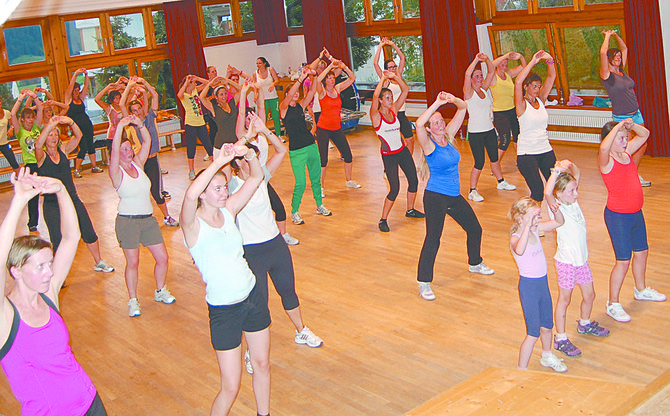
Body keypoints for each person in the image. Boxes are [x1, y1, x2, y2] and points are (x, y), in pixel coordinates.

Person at [0, 168, 107, 415]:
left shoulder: (48, 296)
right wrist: (18, 201)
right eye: (40, 266)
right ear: (16, 271)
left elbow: (71, 237)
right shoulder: (6, 318)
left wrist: (60, 188)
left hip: (90, 402)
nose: (50, 272)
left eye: (49, 263)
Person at [180, 142, 271, 416]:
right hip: (224, 311)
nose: (223, 193)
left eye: (224, 187)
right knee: (230, 386)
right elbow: (188, 196)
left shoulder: (229, 211)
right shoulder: (192, 226)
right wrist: (218, 162)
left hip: (252, 297)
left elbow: (256, 177)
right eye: (217, 189)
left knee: (262, 364)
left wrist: (250, 154)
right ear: (204, 195)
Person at [231, 114, 323, 374]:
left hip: (275, 245)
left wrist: (263, 131)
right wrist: (245, 139)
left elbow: (282, 149)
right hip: (251, 251)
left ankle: (301, 331)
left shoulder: (261, 178)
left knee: (288, 291)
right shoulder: (231, 184)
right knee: (257, 302)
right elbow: (223, 163)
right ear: (238, 163)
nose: (254, 160)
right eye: (248, 158)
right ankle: (251, 351)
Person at [414, 92, 494, 301]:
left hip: (454, 196)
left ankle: (475, 263)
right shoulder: (429, 144)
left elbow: (463, 107)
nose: (440, 125)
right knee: (433, 238)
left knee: (475, 229)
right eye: (436, 123)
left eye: (441, 121)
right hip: (435, 197)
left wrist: (450, 99)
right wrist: (437, 103)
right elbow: (418, 124)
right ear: (431, 129)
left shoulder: (448, 136)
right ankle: (424, 282)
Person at [598, 119, 665, 323]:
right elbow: (603, 146)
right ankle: (613, 303)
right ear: (611, 140)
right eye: (621, 138)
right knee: (623, 261)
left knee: (642, 252)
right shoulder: (606, 160)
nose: (625, 141)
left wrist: (630, 125)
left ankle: (641, 289)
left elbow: (644, 135)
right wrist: (617, 127)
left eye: (626, 138)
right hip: (617, 217)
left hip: (636, 213)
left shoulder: (626, 155)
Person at [109, 115, 176, 317]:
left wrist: (140, 124)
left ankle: (160, 290)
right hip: (127, 222)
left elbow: (147, 141)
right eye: (125, 149)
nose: (129, 152)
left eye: (130, 148)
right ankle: (132, 300)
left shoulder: (138, 163)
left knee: (163, 257)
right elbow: (113, 151)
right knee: (133, 263)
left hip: (148, 220)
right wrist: (120, 125)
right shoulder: (116, 171)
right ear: (118, 153)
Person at [544, 160, 609, 358]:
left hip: (582, 261)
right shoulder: (557, 207)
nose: (576, 194)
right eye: (572, 191)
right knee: (565, 299)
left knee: (590, 295)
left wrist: (571, 165)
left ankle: (585, 322)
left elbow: (578, 174)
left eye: (575, 190)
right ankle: (560, 337)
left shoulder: (574, 202)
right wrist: (555, 170)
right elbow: (547, 192)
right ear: (560, 194)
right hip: (566, 262)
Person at [35, 115, 115, 273]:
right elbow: (38, 145)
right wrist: (50, 125)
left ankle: (98, 261)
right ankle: (57, 273)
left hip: (71, 199)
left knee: (88, 229)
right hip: (52, 203)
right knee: (57, 238)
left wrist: (71, 122)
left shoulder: (63, 150)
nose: (53, 137)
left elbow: (78, 136)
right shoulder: (42, 156)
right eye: (50, 134)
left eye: (55, 134)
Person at [237, 81, 299, 245]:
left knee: (279, 209)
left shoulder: (261, 132)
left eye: (253, 118)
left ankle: (283, 235)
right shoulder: (243, 135)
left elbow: (262, 108)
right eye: (247, 119)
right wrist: (244, 92)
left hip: (263, 175)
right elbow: (241, 114)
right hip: (248, 179)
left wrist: (259, 88)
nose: (250, 121)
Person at [509, 196, 567, 373]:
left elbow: (559, 222)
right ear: (520, 218)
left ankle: (547, 355)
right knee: (533, 333)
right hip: (529, 288)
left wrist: (556, 211)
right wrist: (527, 226)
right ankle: (522, 369)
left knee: (548, 327)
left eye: (538, 216)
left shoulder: (535, 229)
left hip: (542, 285)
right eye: (534, 216)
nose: (538, 220)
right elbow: (519, 250)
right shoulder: (516, 237)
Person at [120, 77, 179, 227]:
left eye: (139, 108)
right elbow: (121, 104)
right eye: (134, 110)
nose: (138, 112)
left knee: (156, 192)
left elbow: (155, 95)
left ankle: (167, 217)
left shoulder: (150, 117)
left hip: (152, 160)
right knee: (138, 191)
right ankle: (137, 219)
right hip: (138, 162)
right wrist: (130, 86)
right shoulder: (131, 123)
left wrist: (143, 83)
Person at [370, 69, 423, 232]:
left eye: (391, 97)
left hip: (402, 151)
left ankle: (410, 209)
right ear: (380, 100)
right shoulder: (376, 116)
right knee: (394, 189)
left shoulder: (394, 110)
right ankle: (383, 219)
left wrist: (395, 77)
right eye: (387, 97)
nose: (390, 99)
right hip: (389, 156)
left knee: (413, 180)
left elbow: (405, 90)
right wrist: (383, 79)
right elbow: (374, 96)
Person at [279, 67, 332, 225]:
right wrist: (301, 78)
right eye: (293, 92)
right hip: (296, 151)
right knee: (301, 183)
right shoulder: (284, 108)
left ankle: (319, 206)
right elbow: (289, 95)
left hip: (310, 145)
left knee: (316, 180)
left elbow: (312, 91)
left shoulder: (301, 106)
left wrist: (314, 76)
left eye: (297, 92)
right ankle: (295, 211)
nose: (295, 94)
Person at [463, 53, 516, 203]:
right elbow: (467, 74)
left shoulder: (485, 90)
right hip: (476, 134)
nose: (480, 78)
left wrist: (486, 60)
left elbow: (491, 71)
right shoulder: (469, 93)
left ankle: (501, 182)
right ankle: (472, 190)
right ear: (472, 79)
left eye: (481, 76)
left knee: (494, 159)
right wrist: (476, 60)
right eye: (477, 76)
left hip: (489, 131)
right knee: (479, 163)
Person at [600, 30, 650, 187]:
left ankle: (633, 173)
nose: (618, 58)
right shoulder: (607, 75)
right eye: (615, 57)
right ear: (609, 59)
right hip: (622, 116)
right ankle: (626, 177)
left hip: (636, 113)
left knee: (643, 144)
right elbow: (602, 52)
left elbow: (625, 49)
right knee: (625, 148)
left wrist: (616, 36)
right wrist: (607, 36)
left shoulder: (621, 72)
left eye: (619, 57)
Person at [514, 50, 557, 202]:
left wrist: (550, 60)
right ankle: (533, 221)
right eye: (534, 86)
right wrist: (533, 61)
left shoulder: (541, 100)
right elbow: (518, 81)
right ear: (526, 87)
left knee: (555, 187)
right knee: (538, 192)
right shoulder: (521, 104)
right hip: (527, 153)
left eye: (539, 86)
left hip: (545, 149)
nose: (537, 89)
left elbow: (551, 76)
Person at [315, 58, 361, 195]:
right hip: (323, 128)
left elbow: (352, 78)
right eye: (329, 78)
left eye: (333, 78)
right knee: (323, 160)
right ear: (326, 80)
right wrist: (330, 67)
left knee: (348, 155)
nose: (332, 80)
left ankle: (349, 180)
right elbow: (317, 80)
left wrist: (344, 66)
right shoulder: (322, 91)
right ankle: (320, 187)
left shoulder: (338, 89)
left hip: (336, 128)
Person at [373, 37, 415, 154]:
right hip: (391, 113)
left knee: (410, 139)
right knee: (395, 140)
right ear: (386, 69)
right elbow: (375, 63)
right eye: (390, 67)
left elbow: (402, 58)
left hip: (401, 113)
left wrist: (393, 44)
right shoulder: (386, 79)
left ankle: (408, 161)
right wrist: (380, 46)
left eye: (394, 66)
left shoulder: (398, 76)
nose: (393, 69)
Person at [10, 89, 43, 232]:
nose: (31, 120)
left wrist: (34, 96)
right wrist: (21, 98)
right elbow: (12, 114)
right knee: (33, 195)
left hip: (42, 161)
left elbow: (41, 109)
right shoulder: (20, 131)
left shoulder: (36, 127)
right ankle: (33, 223)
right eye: (28, 118)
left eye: (32, 117)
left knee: (50, 191)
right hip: (31, 165)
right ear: (23, 119)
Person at [64, 68, 103, 178]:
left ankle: (94, 166)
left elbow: (86, 87)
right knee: (83, 146)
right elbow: (69, 87)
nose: (77, 91)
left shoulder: (80, 98)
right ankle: (76, 169)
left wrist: (86, 75)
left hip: (87, 124)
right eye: (75, 90)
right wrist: (75, 74)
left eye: (78, 89)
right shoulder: (68, 99)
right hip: (77, 128)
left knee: (90, 145)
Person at [490, 51, 526, 164]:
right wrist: (505, 56)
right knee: (504, 141)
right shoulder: (492, 77)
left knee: (518, 137)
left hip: (512, 111)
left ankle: (520, 161)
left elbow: (524, 66)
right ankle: (495, 165)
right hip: (500, 113)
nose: (504, 67)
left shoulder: (509, 74)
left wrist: (521, 57)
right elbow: (490, 65)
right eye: (502, 64)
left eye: (506, 64)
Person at [178, 74, 214, 180]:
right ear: (188, 84)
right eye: (194, 82)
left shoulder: (195, 91)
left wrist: (197, 78)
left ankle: (214, 167)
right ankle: (191, 170)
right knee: (191, 147)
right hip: (190, 124)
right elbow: (179, 94)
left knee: (208, 145)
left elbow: (209, 83)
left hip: (201, 123)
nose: (196, 84)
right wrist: (187, 82)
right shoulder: (184, 94)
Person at [200, 76, 240, 154]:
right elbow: (202, 97)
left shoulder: (232, 104)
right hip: (221, 146)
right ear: (216, 97)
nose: (224, 96)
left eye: (225, 93)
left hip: (235, 143)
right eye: (221, 94)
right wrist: (210, 83)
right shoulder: (214, 109)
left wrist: (227, 81)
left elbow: (240, 89)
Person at [94, 77, 127, 152]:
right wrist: (108, 87)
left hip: (123, 135)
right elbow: (97, 99)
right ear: (111, 99)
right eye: (116, 98)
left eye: (119, 98)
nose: (118, 100)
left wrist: (122, 86)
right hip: (112, 136)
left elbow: (132, 92)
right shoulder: (109, 107)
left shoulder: (123, 106)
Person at [253, 57, 282, 137]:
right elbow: (255, 85)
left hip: (273, 97)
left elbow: (277, 80)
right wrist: (255, 94)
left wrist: (273, 84)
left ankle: (279, 135)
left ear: (264, 63)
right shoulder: (255, 73)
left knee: (275, 117)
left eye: (260, 63)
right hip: (262, 99)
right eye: (257, 63)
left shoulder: (270, 70)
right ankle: (263, 136)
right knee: (263, 118)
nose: (258, 65)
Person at [0, 95, 20, 173]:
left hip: (5, 143)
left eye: (0, 101)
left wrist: (11, 128)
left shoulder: (6, 113)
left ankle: (21, 182)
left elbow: (13, 123)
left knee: (14, 163)